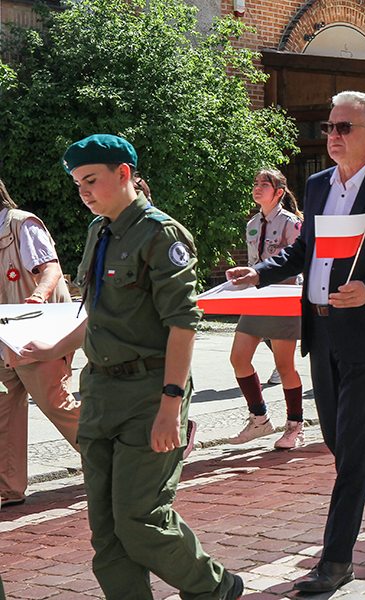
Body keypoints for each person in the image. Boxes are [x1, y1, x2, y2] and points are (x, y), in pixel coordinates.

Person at [226, 91, 365, 593]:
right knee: (341, 441)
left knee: (351, 446)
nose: (333, 135)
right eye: (330, 126)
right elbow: (304, 251)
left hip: (364, 333)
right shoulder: (317, 185)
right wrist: (260, 272)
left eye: (344, 127)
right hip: (319, 330)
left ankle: (336, 561)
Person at [22, 135, 243, 599]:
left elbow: (183, 326)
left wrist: (171, 404)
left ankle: (214, 588)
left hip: (149, 392)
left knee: (140, 519)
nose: (82, 191)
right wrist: (45, 347)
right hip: (101, 392)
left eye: (91, 180)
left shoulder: (161, 235)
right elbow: (100, 316)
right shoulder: (99, 231)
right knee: (105, 531)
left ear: (124, 174)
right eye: (77, 183)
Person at [0, 176, 80, 509]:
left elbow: (51, 269)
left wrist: (38, 295)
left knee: (57, 406)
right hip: (4, 338)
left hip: (35, 332)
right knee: (3, 412)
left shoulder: (21, 224)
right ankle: (8, 491)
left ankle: (127, 462)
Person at [228, 169, 305, 449]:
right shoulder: (252, 224)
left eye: (265, 184)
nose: (258, 188)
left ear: (279, 192)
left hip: (283, 298)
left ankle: (295, 425)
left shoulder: (292, 223)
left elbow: (296, 261)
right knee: (238, 358)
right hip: (257, 298)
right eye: (256, 183)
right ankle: (259, 419)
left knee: (285, 366)